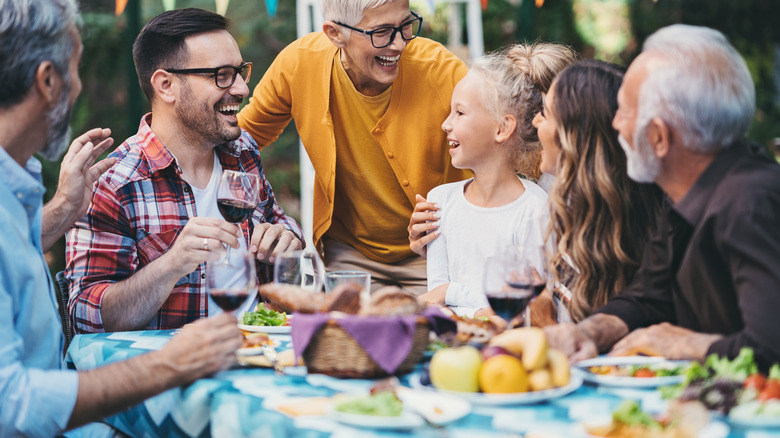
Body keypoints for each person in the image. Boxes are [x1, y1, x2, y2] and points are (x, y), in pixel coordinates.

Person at [0, 1, 242, 436]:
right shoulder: (117, 177)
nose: (78, 88)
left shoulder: (15, 187)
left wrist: (61, 211)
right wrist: (169, 364)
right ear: (48, 80)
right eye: (75, 70)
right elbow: (10, 403)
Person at [544, 24, 780, 370]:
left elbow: (770, 347)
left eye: (624, 112)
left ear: (658, 138)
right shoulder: (683, 194)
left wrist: (685, 344)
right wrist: (591, 332)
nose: (615, 125)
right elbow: (648, 298)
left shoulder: (749, 203)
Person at [66, 8, 303, 333]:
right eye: (221, 75)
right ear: (166, 85)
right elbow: (87, 316)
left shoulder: (242, 150)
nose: (242, 89)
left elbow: (278, 222)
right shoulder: (114, 182)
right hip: (170, 371)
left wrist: (286, 237)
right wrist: (172, 264)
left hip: (260, 357)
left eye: (240, 71)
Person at [237, 0, 471, 295]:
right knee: (345, 338)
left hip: (438, 251)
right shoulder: (299, 63)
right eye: (382, 32)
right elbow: (239, 144)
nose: (399, 44)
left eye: (406, 24)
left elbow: (496, 150)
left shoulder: (442, 71)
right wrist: (260, 217)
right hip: (350, 257)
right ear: (335, 34)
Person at [418, 43, 576, 321]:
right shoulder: (439, 201)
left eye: (460, 112)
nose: (445, 124)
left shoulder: (536, 209)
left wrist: (453, 293)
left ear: (502, 128)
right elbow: (435, 297)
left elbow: (527, 310)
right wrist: (455, 299)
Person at [530, 60, 663, 324]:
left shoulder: (636, 238)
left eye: (544, 113)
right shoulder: (570, 209)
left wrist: (546, 323)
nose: (535, 121)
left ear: (575, 137)